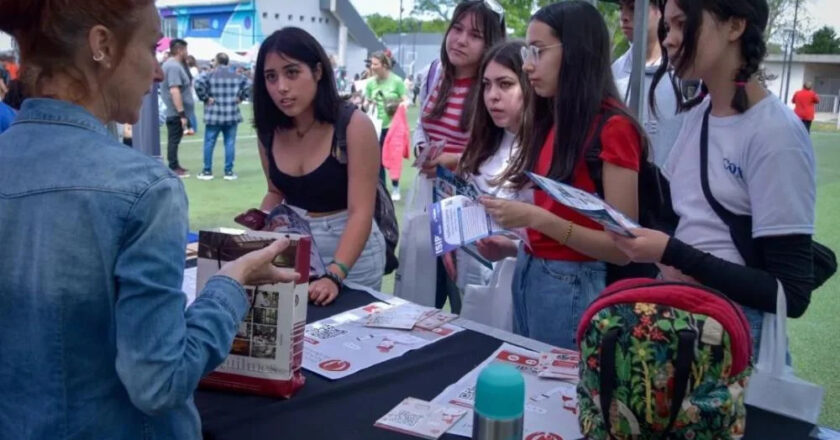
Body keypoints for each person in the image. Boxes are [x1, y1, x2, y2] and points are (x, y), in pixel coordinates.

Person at [0, 1, 300, 438]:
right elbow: (159, 383)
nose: (158, 72)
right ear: (102, 44)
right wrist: (230, 285)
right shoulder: (142, 189)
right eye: (150, 46)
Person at [611, 0, 816, 356]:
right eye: (668, 26)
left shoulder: (775, 135)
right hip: (680, 317)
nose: (671, 39)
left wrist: (673, 253)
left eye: (682, 24)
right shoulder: (700, 114)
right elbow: (679, 216)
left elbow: (791, 294)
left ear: (735, 27)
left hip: (732, 331)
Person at [481, 1, 646, 349]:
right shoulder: (552, 117)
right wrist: (514, 244)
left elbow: (624, 248)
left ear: (576, 52)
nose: (527, 65)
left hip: (571, 285)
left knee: (559, 396)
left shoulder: (613, 127)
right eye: (528, 51)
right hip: (531, 272)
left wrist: (536, 218)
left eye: (538, 51)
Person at [254, 27, 385, 304]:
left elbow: (361, 211)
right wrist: (260, 220)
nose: (281, 87)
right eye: (271, 77)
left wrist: (336, 273)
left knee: (349, 336)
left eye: (292, 72)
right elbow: (275, 191)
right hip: (296, 245)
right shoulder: (268, 131)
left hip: (352, 251)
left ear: (317, 71)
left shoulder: (353, 125)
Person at [412, 0, 506, 313]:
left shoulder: (494, 85)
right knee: (423, 296)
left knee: (469, 300)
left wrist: (453, 160)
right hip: (430, 200)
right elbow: (421, 125)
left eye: (475, 34)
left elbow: (504, 147)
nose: (461, 39)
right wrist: (420, 149)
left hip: (473, 206)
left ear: (490, 43)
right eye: (457, 28)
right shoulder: (434, 74)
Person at [457, 41, 529, 292]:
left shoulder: (544, 149)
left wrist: (511, 247)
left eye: (505, 84)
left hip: (517, 283)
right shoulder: (484, 140)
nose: (492, 95)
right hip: (471, 272)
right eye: (486, 85)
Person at [608, 0, 679, 166]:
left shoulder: (685, 73)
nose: (624, 17)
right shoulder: (615, 71)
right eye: (621, 8)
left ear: (661, 11)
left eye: (633, 8)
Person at [194, 52, 250, 181]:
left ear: (217, 61)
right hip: (231, 113)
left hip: (214, 114)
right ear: (227, 62)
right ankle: (228, 171)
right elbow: (249, 84)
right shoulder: (237, 76)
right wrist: (241, 97)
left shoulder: (209, 74)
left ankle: (207, 171)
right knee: (230, 143)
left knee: (209, 142)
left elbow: (197, 83)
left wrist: (206, 98)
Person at [365, 51, 407, 198]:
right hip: (376, 126)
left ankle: (395, 187)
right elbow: (366, 101)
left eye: (375, 64)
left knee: (394, 157)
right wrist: (367, 103)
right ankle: (382, 190)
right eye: (371, 63)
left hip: (393, 127)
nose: (372, 66)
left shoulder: (397, 81)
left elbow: (406, 100)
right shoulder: (370, 83)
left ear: (384, 65)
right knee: (378, 159)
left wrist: (396, 104)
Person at [161, 38, 193, 177]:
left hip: (176, 111)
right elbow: (175, 90)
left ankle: (175, 164)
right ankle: (173, 166)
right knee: (173, 139)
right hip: (175, 112)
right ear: (180, 50)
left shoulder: (176, 65)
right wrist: (181, 114)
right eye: (186, 50)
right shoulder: (173, 66)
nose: (187, 53)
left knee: (175, 139)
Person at [185, 54, 200, 135]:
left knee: (190, 111)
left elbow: (189, 80)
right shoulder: (192, 69)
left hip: (191, 93)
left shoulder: (193, 70)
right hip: (191, 92)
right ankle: (190, 127)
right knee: (189, 111)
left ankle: (193, 127)